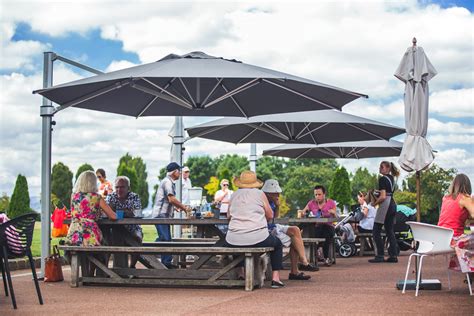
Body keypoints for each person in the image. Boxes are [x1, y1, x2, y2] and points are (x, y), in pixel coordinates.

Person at [225, 171, 285, 288]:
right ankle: (275, 278)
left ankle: (241, 273)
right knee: (277, 244)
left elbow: (228, 216)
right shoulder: (259, 194)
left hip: (233, 238)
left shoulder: (234, 195)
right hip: (258, 237)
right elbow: (270, 215)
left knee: (238, 242)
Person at [262, 179, 318, 280]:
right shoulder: (263, 200)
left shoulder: (273, 201)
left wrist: (277, 206)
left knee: (295, 230)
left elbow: (276, 217)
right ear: (269, 193)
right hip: (266, 228)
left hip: (274, 226)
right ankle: (295, 270)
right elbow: (268, 219)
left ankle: (303, 261)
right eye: (275, 193)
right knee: (295, 239)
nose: (278, 194)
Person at [152, 162, 192, 269]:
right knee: (165, 239)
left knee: (166, 239)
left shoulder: (168, 182)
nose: (180, 173)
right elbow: (171, 198)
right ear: (174, 172)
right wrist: (184, 208)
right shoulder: (167, 182)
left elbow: (167, 200)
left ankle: (165, 262)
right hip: (161, 215)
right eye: (179, 171)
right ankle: (145, 251)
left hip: (163, 215)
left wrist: (175, 207)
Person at [65, 171, 116, 247]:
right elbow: (113, 216)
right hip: (90, 235)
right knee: (107, 242)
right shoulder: (97, 197)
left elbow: (75, 212)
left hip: (73, 235)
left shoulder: (73, 196)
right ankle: (102, 259)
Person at [368, 161, 400, 263]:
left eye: (382, 167)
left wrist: (374, 203)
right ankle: (393, 255)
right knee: (390, 231)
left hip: (386, 205)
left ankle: (380, 255)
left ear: (387, 169)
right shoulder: (392, 179)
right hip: (393, 204)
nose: (380, 169)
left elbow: (383, 196)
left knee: (376, 230)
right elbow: (388, 193)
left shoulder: (382, 179)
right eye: (380, 167)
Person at [299, 185, 337, 266]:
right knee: (314, 231)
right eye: (316, 195)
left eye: (319, 194)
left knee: (326, 231)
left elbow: (335, 218)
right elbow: (303, 212)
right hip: (316, 228)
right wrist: (303, 213)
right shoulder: (311, 203)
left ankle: (321, 255)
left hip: (329, 227)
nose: (317, 197)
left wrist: (333, 213)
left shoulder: (330, 203)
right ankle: (319, 255)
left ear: (324, 194)